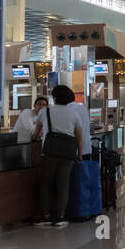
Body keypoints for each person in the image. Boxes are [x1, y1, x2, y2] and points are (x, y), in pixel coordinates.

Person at [36, 86, 83, 228]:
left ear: (54, 98)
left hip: (50, 152)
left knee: (45, 184)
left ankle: (46, 215)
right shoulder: (74, 114)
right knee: (63, 184)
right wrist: (79, 154)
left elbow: (36, 132)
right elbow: (78, 137)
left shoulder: (45, 111)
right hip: (68, 153)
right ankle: (60, 216)